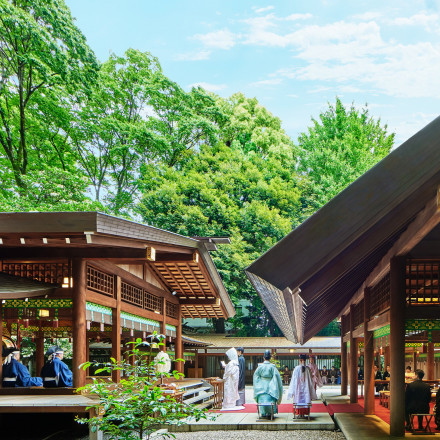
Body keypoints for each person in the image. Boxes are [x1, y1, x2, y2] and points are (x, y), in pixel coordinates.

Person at [253, 350, 283, 418]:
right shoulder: (272, 367)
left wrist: (258, 383)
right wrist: (275, 384)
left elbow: (255, 376)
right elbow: (277, 378)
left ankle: (263, 413)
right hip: (271, 384)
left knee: (262, 398)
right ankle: (270, 413)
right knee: (270, 398)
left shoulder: (260, 367)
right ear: (270, 358)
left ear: (264, 358)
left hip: (261, 385)